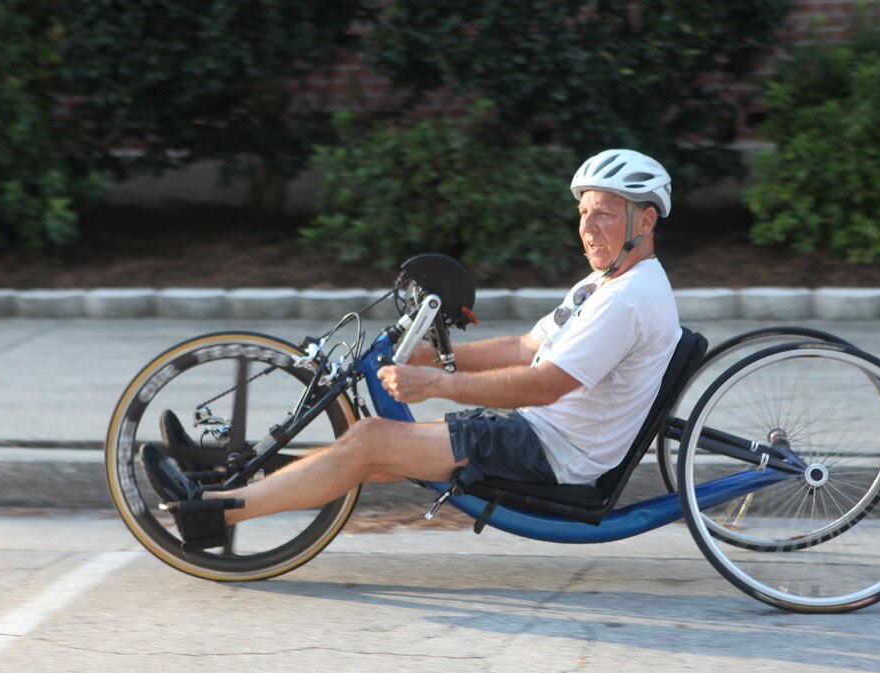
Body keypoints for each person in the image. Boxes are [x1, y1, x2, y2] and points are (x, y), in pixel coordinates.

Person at [141, 148, 682, 551]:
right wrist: (437, 358)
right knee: (367, 453)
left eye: (605, 214)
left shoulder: (630, 297)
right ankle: (215, 480)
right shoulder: (602, 284)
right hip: (536, 438)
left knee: (372, 438)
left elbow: (544, 385)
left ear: (646, 220)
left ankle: (207, 513)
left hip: (551, 455)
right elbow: (525, 347)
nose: (588, 228)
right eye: (584, 213)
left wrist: (437, 385)